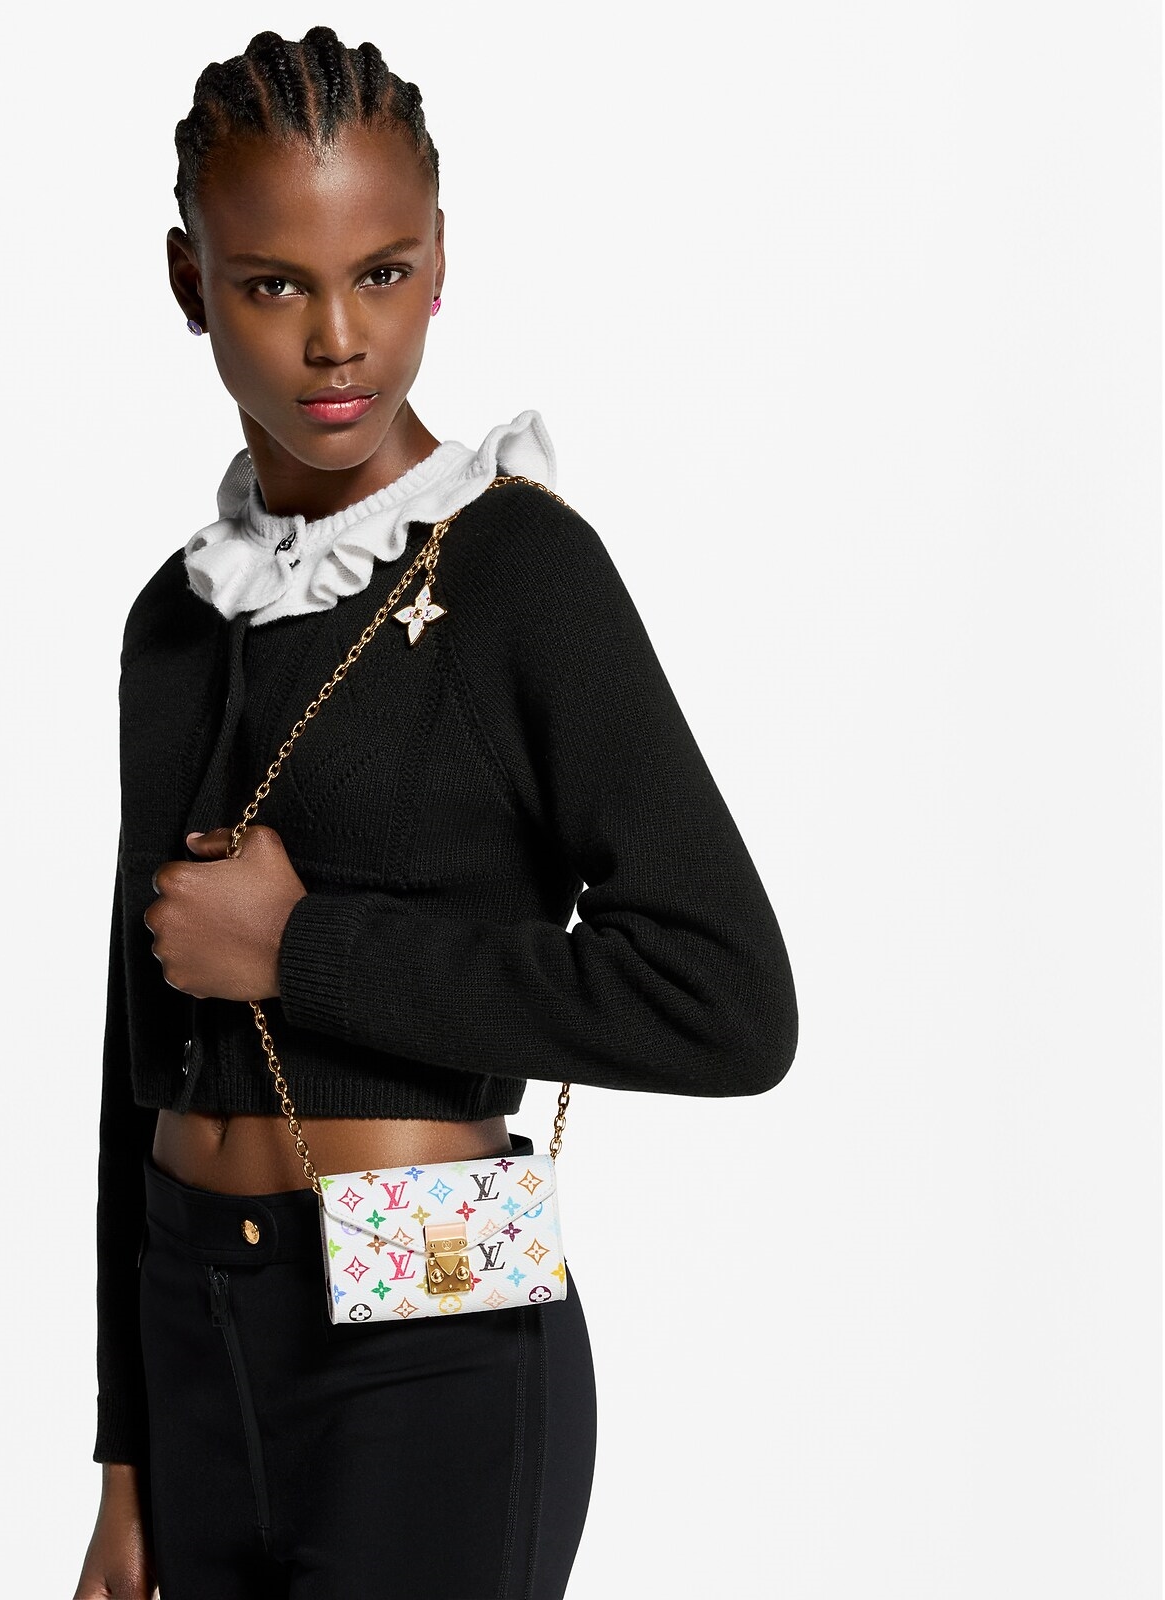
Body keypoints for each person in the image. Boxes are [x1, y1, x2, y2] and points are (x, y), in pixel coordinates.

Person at [72, 26, 798, 1600]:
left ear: (441, 264)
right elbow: (132, 1053)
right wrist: (125, 1454)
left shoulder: (518, 570)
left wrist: (304, 951)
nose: (338, 338)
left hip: (436, 1312)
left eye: (383, 274)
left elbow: (730, 1002)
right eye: (274, 285)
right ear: (192, 281)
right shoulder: (174, 624)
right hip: (195, 1329)